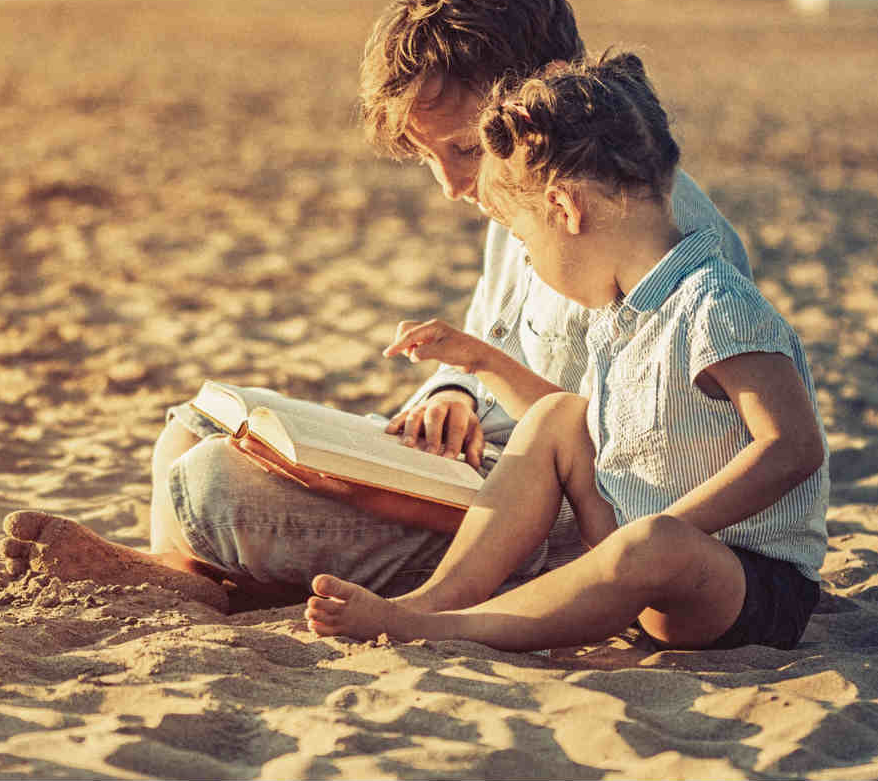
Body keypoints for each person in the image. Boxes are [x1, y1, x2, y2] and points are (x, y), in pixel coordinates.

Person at [0, 0, 750, 611]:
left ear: (545, 90)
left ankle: (193, 577)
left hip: (533, 519)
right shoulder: (519, 196)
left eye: (463, 150)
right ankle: (193, 572)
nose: (452, 187)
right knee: (193, 424)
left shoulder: (649, 235)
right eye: (431, 160)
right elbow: (495, 339)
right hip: (474, 463)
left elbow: (619, 466)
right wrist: (452, 390)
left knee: (210, 484)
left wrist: (398, 484)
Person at [305, 55, 828, 652]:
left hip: (740, 580)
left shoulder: (713, 304)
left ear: (565, 209)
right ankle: (436, 597)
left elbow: (793, 445)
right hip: (632, 549)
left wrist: (672, 528)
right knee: (559, 417)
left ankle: (441, 628)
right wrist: (481, 360)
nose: (527, 260)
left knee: (651, 544)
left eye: (525, 241)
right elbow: (592, 433)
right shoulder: (623, 312)